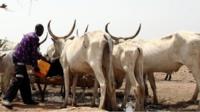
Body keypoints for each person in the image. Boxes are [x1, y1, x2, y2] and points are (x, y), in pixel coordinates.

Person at [2, 24, 44, 109]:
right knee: (19, 78)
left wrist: (40, 57)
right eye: (41, 30)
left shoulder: (30, 35)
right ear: (37, 30)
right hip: (20, 59)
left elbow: (33, 51)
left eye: (42, 31)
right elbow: (33, 54)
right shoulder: (35, 38)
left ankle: (27, 99)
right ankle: (7, 98)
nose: (42, 32)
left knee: (25, 80)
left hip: (19, 57)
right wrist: (36, 66)